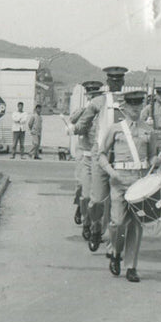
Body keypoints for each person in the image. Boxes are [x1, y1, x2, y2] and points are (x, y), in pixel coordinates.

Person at [95, 88, 161, 283]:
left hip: (139, 180)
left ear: (142, 106)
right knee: (117, 223)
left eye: (139, 104)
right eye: (132, 105)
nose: (136, 109)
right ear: (124, 107)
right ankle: (116, 252)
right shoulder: (116, 129)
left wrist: (155, 161)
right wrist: (111, 172)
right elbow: (101, 155)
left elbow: (152, 155)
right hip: (119, 179)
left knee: (135, 225)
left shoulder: (148, 130)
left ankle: (131, 266)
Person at [72, 66, 128, 250]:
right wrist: (77, 128)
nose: (116, 84)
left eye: (119, 80)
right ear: (107, 82)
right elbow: (83, 123)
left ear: (123, 82)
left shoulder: (129, 103)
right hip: (100, 153)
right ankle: (95, 227)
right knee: (97, 199)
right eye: (112, 81)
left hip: (121, 154)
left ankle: (113, 243)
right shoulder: (100, 101)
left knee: (120, 202)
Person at [69, 80, 103, 227]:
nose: (92, 97)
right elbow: (73, 122)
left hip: (95, 153)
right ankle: (80, 206)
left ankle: (87, 221)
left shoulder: (103, 112)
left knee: (93, 192)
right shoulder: (84, 110)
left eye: (95, 94)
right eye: (90, 94)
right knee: (80, 185)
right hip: (83, 151)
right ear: (87, 95)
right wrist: (84, 111)